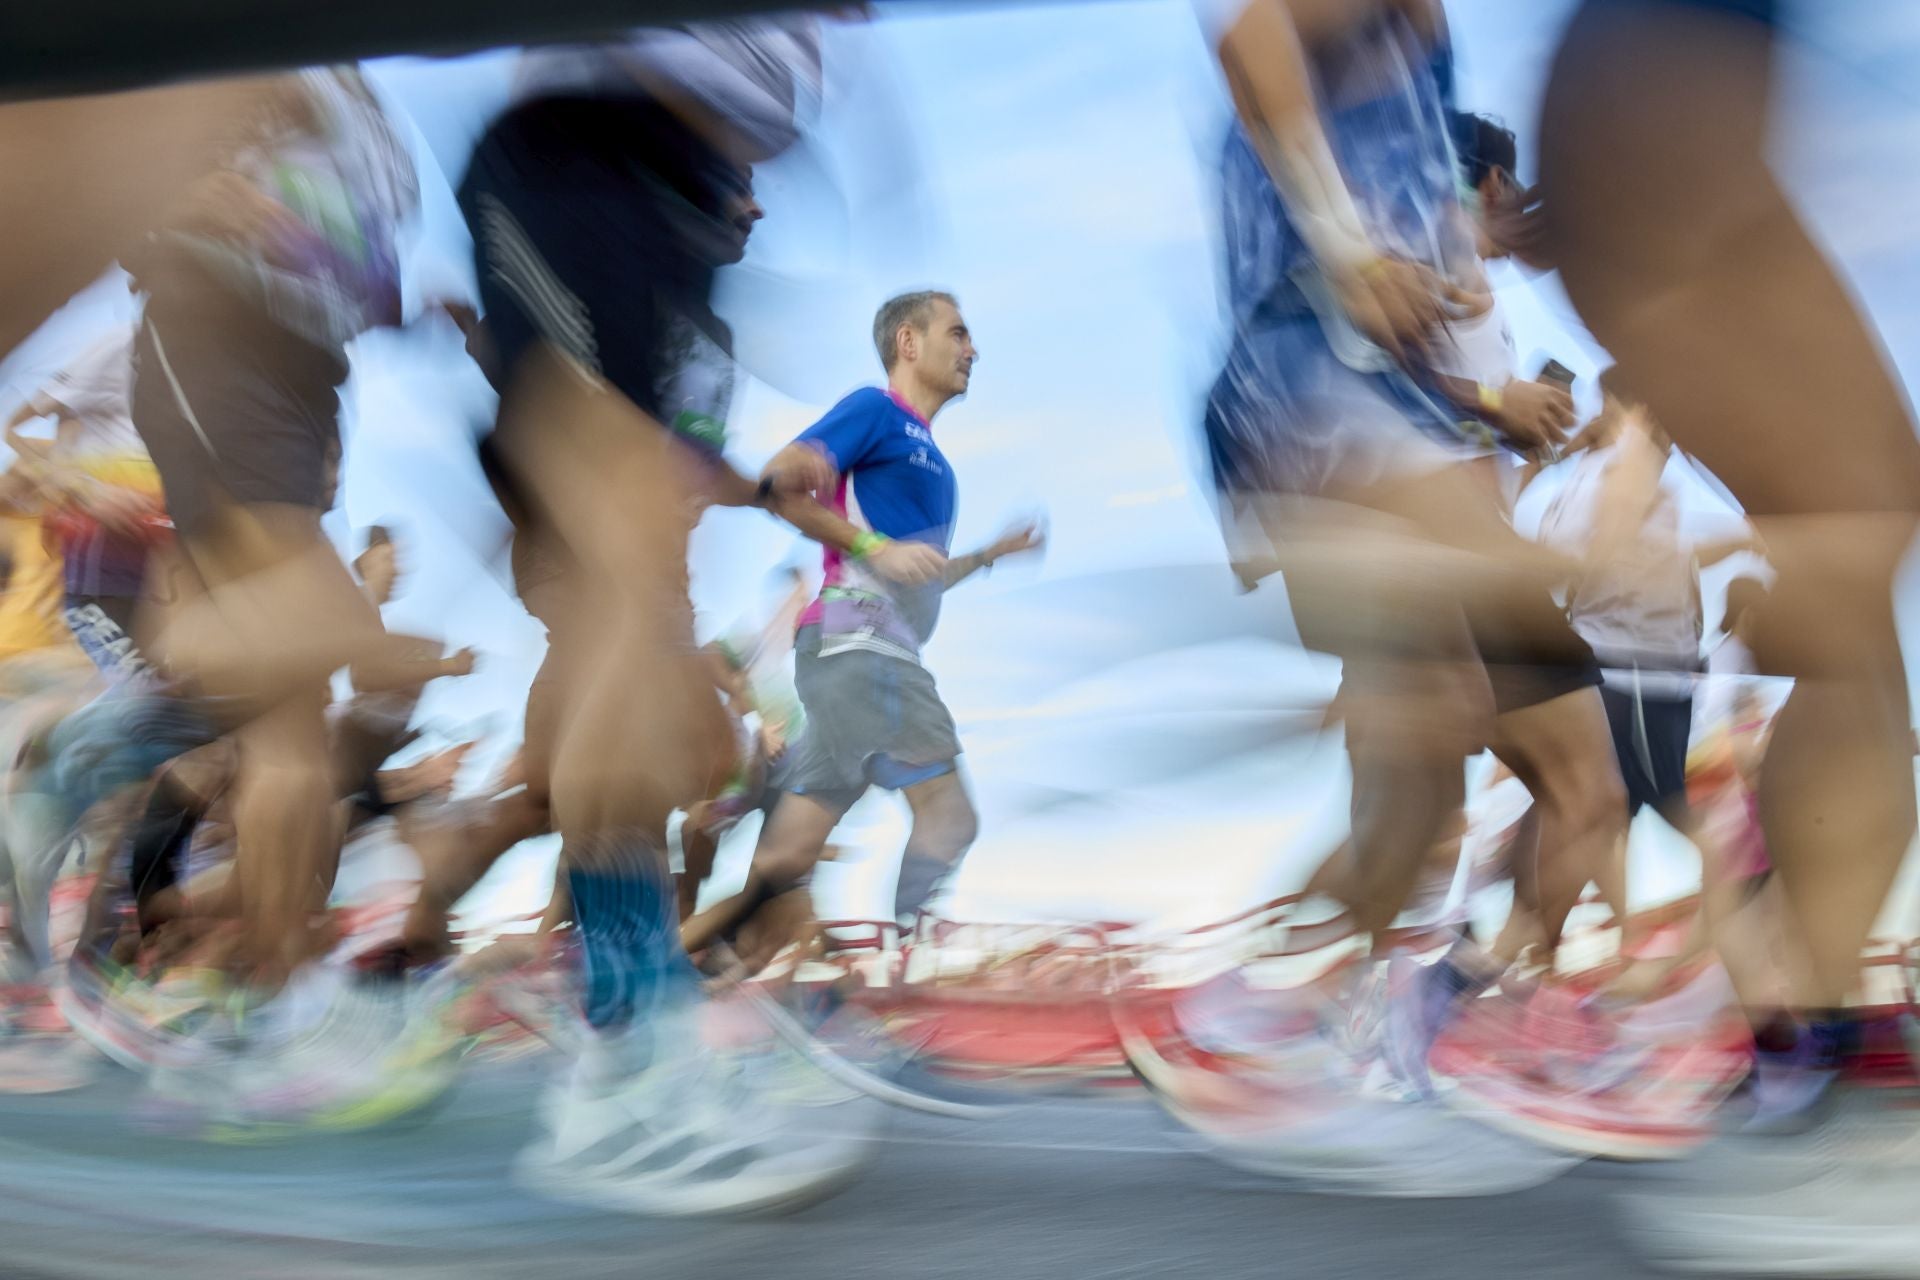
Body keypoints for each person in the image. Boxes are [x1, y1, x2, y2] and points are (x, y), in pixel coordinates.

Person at [458, 18, 883, 1217]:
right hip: (579, 164)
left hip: (644, 213)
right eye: (749, 182)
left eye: (762, 184)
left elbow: (678, 472)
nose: (764, 205)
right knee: (630, 628)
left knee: (665, 678)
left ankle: (626, 1032)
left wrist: (775, 493)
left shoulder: (711, 307)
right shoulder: (609, 147)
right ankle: (629, 1056)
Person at [1538, 0, 1920, 1267]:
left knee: (1869, 538)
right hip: (1667, 126)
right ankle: (1810, 1067)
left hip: (1662, 127)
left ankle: (1809, 1055)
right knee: (1868, 523)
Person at [739, 290, 1044, 951]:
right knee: (950, 820)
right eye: (958, 333)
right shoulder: (877, 412)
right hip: (865, 651)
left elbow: (920, 573)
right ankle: (908, 970)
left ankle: (713, 960)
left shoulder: (938, 468)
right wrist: (872, 546)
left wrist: (990, 555)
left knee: (783, 858)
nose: (973, 349)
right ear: (909, 343)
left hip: (848, 657)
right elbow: (776, 483)